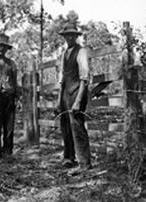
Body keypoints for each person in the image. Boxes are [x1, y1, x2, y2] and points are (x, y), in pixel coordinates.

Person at [56, 21, 92, 171]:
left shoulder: (81, 51)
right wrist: (59, 100)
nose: (69, 38)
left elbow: (84, 77)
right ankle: (69, 158)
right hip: (66, 94)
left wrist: (78, 101)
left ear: (76, 36)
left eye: (72, 35)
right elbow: (62, 78)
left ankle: (84, 163)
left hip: (77, 92)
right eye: (66, 36)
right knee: (65, 126)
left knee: (77, 127)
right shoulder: (65, 53)